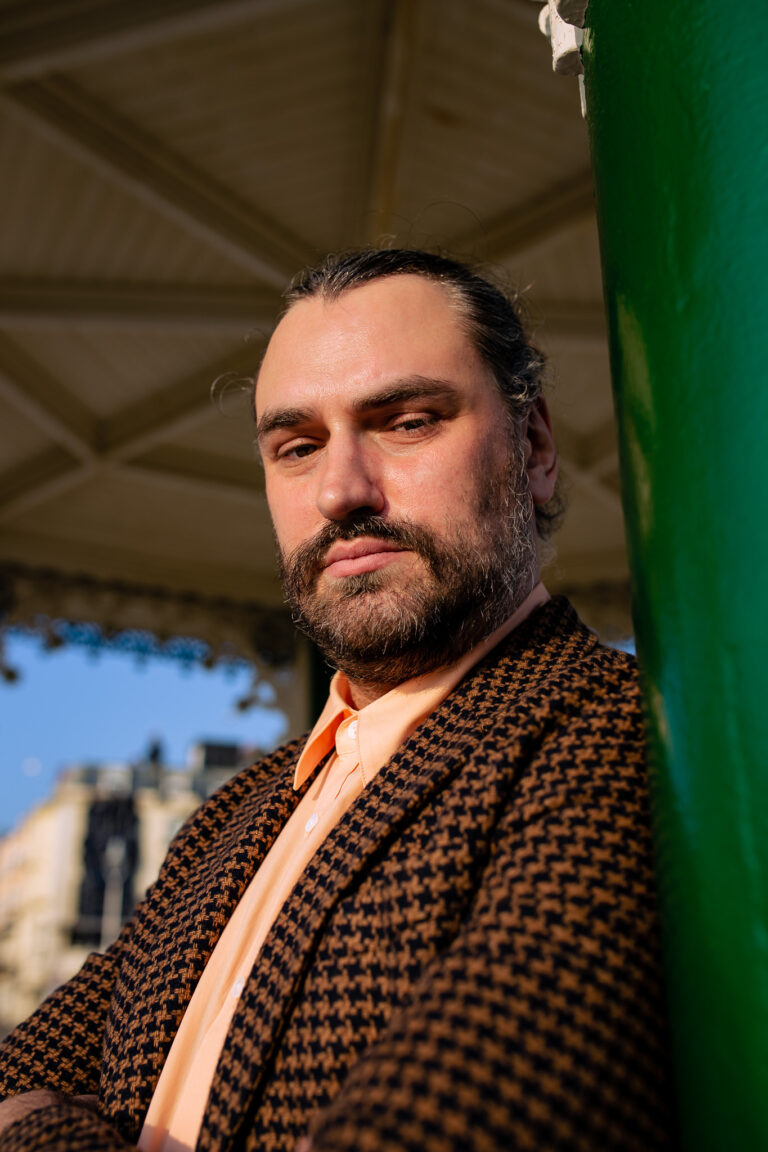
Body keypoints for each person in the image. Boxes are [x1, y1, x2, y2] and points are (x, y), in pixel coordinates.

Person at [0, 249, 674, 1151]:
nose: (338, 491)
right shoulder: (234, 814)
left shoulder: (620, 733)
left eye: (406, 422)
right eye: (296, 446)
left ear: (536, 448)